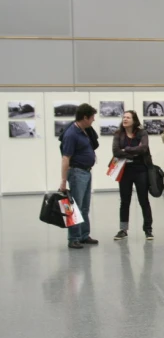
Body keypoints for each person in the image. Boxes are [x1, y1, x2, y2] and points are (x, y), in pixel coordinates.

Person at [60, 103, 99, 250]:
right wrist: (63, 180)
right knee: (73, 206)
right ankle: (73, 238)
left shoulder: (84, 131)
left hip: (86, 172)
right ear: (85, 117)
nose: (93, 120)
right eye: (92, 117)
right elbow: (65, 158)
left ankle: (83, 234)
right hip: (77, 173)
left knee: (84, 207)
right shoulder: (71, 134)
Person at [112, 110, 153, 240]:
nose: (125, 119)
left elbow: (144, 148)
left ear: (134, 120)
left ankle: (148, 229)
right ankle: (123, 229)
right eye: (123, 117)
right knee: (124, 201)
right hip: (125, 171)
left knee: (143, 200)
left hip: (141, 169)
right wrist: (135, 151)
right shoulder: (119, 134)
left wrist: (127, 150)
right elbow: (116, 151)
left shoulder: (142, 133)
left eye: (128, 117)